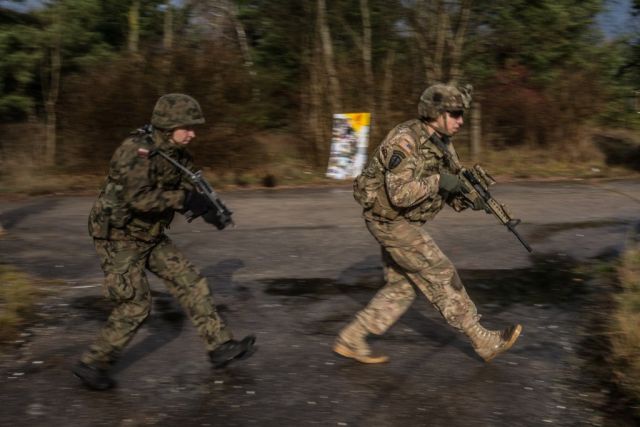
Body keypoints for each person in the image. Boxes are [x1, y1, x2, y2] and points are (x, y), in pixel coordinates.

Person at [72, 94, 256, 390]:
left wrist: (209, 209)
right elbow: (138, 199)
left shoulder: (176, 153)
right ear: (168, 125)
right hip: (118, 237)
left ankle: (220, 346)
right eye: (187, 127)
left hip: (149, 234)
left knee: (191, 281)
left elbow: (186, 185)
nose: (193, 133)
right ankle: (93, 364)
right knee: (135, 305)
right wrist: (184, 199)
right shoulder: (136, 151)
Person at [333, 83, 522, 364]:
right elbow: (400, 193)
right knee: (439, 271)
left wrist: (469, 199)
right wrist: (439, 181)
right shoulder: (405, 140)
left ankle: (351, 338)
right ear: (436, 113)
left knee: (402, 287)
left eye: (462, 115)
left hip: (401, 221)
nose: (460, 121)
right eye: (455, 113)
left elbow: (448, 189)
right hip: (390, 221)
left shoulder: (443, 143)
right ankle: (482, 340)